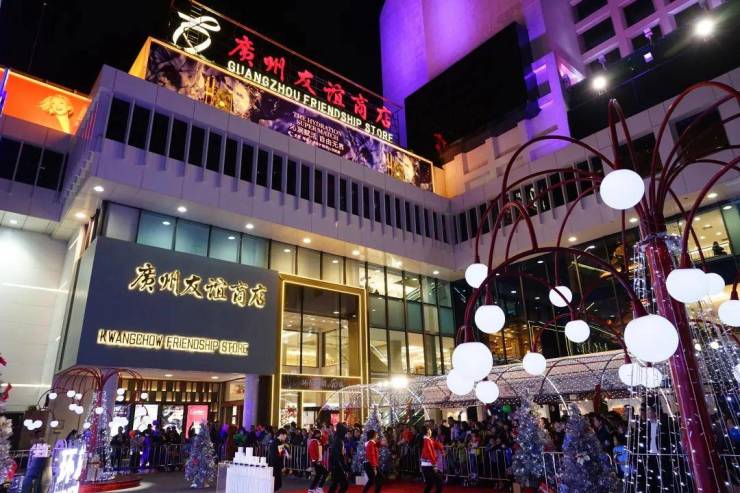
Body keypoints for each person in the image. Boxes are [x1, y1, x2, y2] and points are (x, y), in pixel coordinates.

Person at [420, 426, 444, 493]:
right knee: (439, 483)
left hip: (426, 465)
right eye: (430, 430)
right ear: (428, 431)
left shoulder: (427, 440)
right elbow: (429, 453)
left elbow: (435, 444)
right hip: (429, 465)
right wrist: (434, 465)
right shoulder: (427, 440)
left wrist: (442, 450)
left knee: (430, 484)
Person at [328, 424, 349, 493]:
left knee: (335, 484)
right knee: (344, 484)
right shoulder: (339, 441)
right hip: (337, 466)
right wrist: (345, 467)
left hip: (335, 466)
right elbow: (339, 456)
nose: (346, 434)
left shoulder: (338, 440)